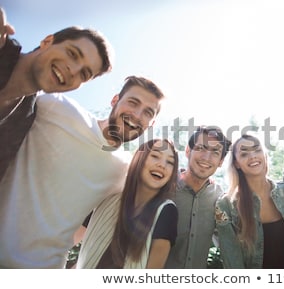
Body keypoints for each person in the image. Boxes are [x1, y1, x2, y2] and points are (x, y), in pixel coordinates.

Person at [0, 75, 165, 268]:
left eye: (148, 112)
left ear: (151, 124)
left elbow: (93, 223)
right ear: (114, 100)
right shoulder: (58, 109)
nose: (137, 115)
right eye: (133, 102)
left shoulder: (124, 170)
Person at [0, 7, 113, 182]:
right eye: (72, 54)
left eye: (84, 74)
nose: (73, 70)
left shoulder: (25, 120)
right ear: (47, 41)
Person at [76, 139, 179, 269]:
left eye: (170, 162)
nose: (162, 165)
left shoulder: (166, 211)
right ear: (139, 159)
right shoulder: (109, 195)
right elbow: (70, 240)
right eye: (155, 156)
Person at [215, 134, 284, 268]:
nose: (252, 156)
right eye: (244, 154)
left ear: (264, 155)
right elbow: (232, 262)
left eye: (257, 150)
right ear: (237, 164)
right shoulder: (226, 205)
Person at [164, 125, 232, 269]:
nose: (206, 157)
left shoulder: (220, 199)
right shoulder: (164, 187)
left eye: (215, 152)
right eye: (201, 148)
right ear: (188, 151)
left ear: (220, 162)